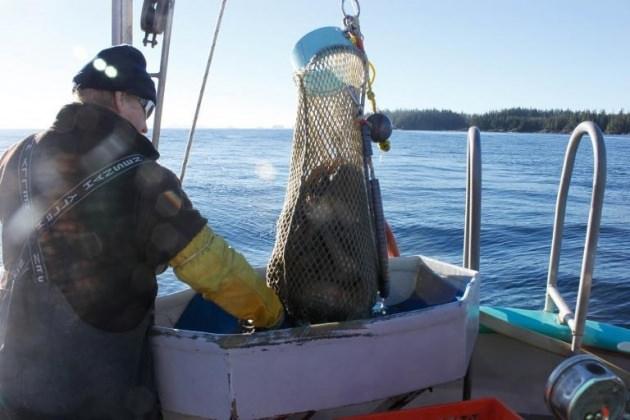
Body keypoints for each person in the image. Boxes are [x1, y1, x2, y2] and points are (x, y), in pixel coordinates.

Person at [0, 45, 283, 419]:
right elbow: (213, 267)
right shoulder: (144, 180)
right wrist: (271, 313)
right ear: (121, 98)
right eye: (144, 108)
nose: (146, 124)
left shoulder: (13, 156)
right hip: (97, 400)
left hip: (14, 389)